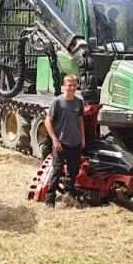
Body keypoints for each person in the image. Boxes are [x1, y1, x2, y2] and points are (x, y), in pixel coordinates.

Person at [44, 73, 86, 207]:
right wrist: (55, 140)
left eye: (74, 85)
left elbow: (80, 120)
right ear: (64, 85)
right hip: (61, 144)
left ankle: (68, 196)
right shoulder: (57, 102)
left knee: (73, 172)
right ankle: (50, 201)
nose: (72, 88)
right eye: (69, 85)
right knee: (56, 172)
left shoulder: (79, 102)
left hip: (76, 143)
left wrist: (82, 138)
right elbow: (47, 122)